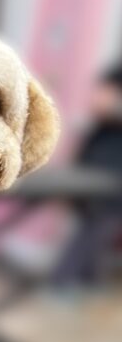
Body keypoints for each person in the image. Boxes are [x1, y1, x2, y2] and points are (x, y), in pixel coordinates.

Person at [54, 64, 122, 288]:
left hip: (108, 175)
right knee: (94, 229)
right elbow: (100, 104)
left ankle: (76, 283)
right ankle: (67, 283)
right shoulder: (116, 74)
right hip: (99, 167)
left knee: (98, 231)